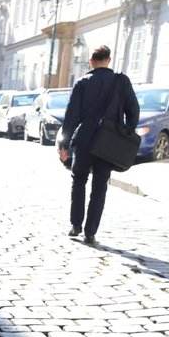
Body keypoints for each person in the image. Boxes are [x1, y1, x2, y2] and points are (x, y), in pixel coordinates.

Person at [59, 44, 139, 245]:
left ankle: (76, 224)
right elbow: (134, 110)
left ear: (91, 62)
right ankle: (90, 232)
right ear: (108, 60)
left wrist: (64, 144)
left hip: (85, 140)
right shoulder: (121, 82)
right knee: (100, 186)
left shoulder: (83, 83)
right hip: (108, 143)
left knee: (78, 181)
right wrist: (125, 131)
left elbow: (71, 116)